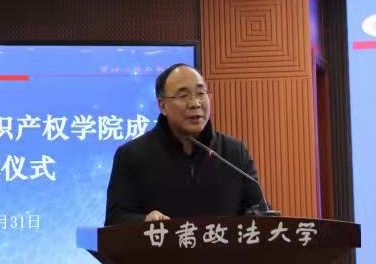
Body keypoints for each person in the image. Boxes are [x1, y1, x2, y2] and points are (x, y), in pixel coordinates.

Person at [105, 63, 265, 225]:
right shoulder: (132, 155)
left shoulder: (233, 152)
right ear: (162, 106)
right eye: (183, 95)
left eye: (200, 93)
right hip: (161, 242)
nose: (195, 103)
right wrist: (144, 221)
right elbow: (115, 220)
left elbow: (259, 210)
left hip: (220, 242)